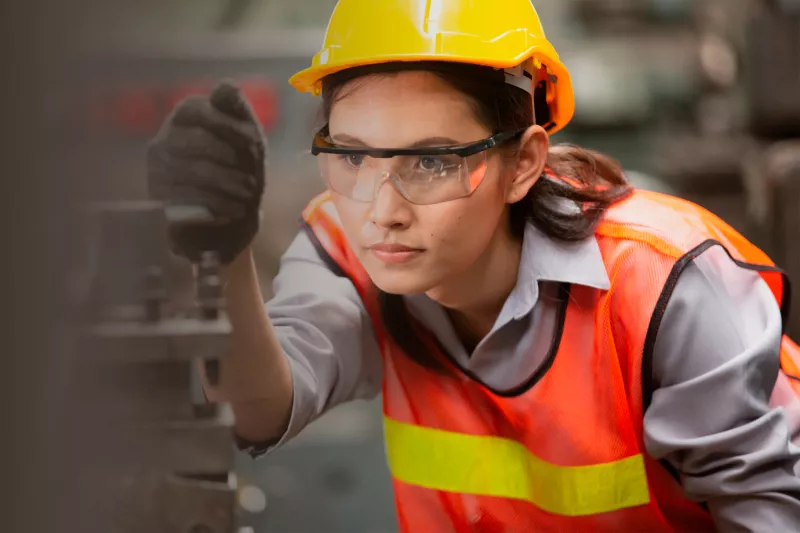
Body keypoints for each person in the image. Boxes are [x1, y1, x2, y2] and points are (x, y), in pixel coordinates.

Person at [146, 0, 800, 530]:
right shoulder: (345, 245)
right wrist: (221, 249)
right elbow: (261, 408)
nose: (383, 210)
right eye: (352, 157)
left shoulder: (662, 283)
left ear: (523, 162)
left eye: (431, 162)